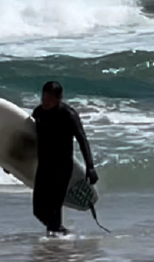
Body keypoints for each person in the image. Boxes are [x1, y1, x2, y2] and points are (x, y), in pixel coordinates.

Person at [31, 81, 98, 236]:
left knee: (54, 207)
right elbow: (27, 138)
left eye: (49, 99)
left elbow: (82, 140)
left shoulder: (68, 115)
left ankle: (57, 245)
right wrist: (10, 160)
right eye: (43, 98)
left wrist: (90, 167)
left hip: (62, 167)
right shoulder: (38, 113)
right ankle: (59, 231)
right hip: (44, 166)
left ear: (59, 98)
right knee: (38, 210)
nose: (45, 102)